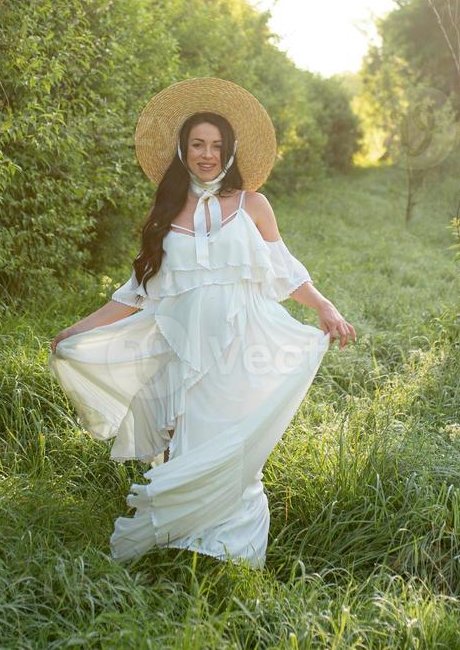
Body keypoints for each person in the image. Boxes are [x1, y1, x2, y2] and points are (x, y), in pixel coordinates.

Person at [47, 76, 356, 569]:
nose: (207, 155)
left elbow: (284, 270)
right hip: (186, 352)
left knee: (231, 446)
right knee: (186, 443)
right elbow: (134, 294)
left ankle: (233, 552)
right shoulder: (166, 212)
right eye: (198, 145)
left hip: (242, 349)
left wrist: (324, 307)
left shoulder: (252, 205)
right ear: (182, 150)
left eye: (216, 146)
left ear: (230, 151)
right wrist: (77, 330)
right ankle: (176, 540)